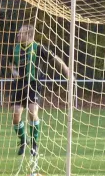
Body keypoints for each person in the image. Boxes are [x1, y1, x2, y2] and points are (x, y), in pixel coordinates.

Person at [9, 24, 69, 156]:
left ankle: (34, 144)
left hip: (34, 84)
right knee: (16, 115)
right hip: (18, 85)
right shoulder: (16, 49)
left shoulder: (38, 48)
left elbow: (55, 58)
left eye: (21, 33)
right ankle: (23, 141)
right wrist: (14, 71)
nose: (18, 35)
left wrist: (67, 71)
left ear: (28, 35)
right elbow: (11, 63)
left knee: (32, 111)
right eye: (18, 33)